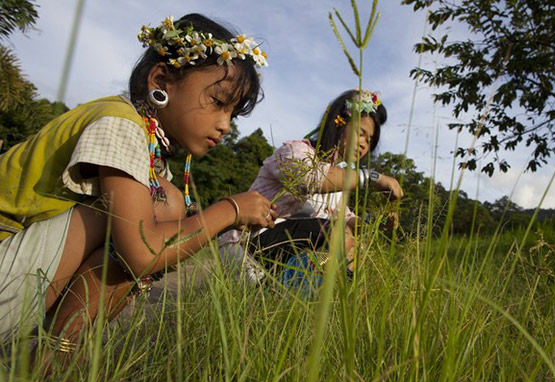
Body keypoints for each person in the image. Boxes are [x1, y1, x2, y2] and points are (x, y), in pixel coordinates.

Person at [0, 14, 277, 355]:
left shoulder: (149, 145)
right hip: (6, 272)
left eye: (232, 114)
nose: (225, 125)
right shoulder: (120, 123)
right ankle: (54, 356)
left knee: (164, 206)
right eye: (218, 102)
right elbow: (142, 252)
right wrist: (229, 210)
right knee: (160, 207)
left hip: (16, 276)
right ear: (161, 79)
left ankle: (55, 351)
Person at [219, 89, 402, 291]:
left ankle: (302, 291)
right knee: (337, 232)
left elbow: (347, 219)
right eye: (360, 133)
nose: (363, 145)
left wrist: (375, 223)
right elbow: (311, 179)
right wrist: (371, 177)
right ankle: (285, 289)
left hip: (288, 250)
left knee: (355, 244)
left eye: (369, 140)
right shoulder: (296, 152)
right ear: (338, 122)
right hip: (248, 246)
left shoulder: (340, 182)